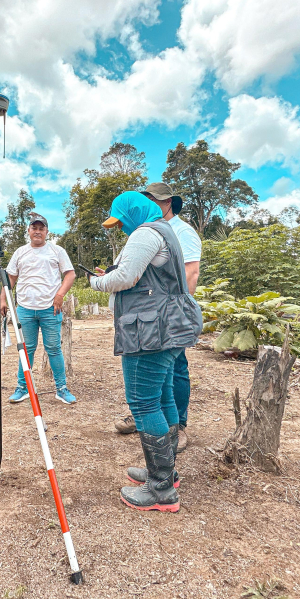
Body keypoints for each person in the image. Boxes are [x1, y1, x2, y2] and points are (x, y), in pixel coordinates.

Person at [88, 192, 202, 512]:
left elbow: (126, 277)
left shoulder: (145, 233)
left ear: (133, 213)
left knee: (143, 401)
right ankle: (165, 471)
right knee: (163, 397)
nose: (121, 227)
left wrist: (96, 283)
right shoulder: (165, 231)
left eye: (121, 220)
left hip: (151, 333)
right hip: (169, 328)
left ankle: (161, 489)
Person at [114, 183, 203, 452]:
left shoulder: (181, 231)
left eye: (151, 199)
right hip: (152, 316)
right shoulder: (149, 230)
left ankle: (178, 428)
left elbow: (190, 273)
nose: (149, 204)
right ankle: (164, 431)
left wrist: (175, 313)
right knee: (159, 382)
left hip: (166, 318)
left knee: (173, 373)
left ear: (166, 202)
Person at [1, 213, 78, 405]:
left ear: (46, 232)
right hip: (25, 309)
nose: (37, 231)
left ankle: (62, 389)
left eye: (41, 228)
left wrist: (60, 295)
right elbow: (10, 278)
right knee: (26, 350)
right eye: (34, 228)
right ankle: (23, 388)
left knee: (53, 348)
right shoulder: (20, 252)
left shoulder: (56, 250)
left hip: (50, 309)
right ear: (28, 231)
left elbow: (70, 274)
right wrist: (3, 299)